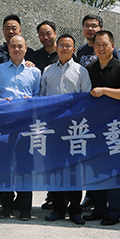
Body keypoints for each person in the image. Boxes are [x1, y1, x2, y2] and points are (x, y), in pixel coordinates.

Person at [84, 30, 120, 226]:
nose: (101, 48)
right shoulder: (90, 68)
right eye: (97, 44)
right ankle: (98, 209)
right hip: (95, 126)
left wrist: (104, 91)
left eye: (105, 44)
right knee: (96, 169)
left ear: (113, 46)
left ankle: (114, 211)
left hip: (115, 126)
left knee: (114, 170)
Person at [41, 34, 91, 226]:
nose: (64, 48)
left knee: (74, 170)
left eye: (68, 45)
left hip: (74, 129)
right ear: (56, 47)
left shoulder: (81, 71)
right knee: (55, 168)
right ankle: (58, 208)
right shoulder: (47, 70)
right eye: (61, 45)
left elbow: (86, 99)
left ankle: (75, 210)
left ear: (73, 49)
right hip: (53, 128)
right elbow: (42, 97)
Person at [0, 35, 41, 221]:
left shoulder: (35, 72)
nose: (17, 49)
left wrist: (31, 101)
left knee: (25, 166)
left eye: (20, 46)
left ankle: (25, 208)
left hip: (26, 125)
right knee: (4, 165)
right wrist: (0, 101)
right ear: (8, 48)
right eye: (13, 46)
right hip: (3, 124)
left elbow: (39, 95)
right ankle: (6, 207)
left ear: (26, 48)